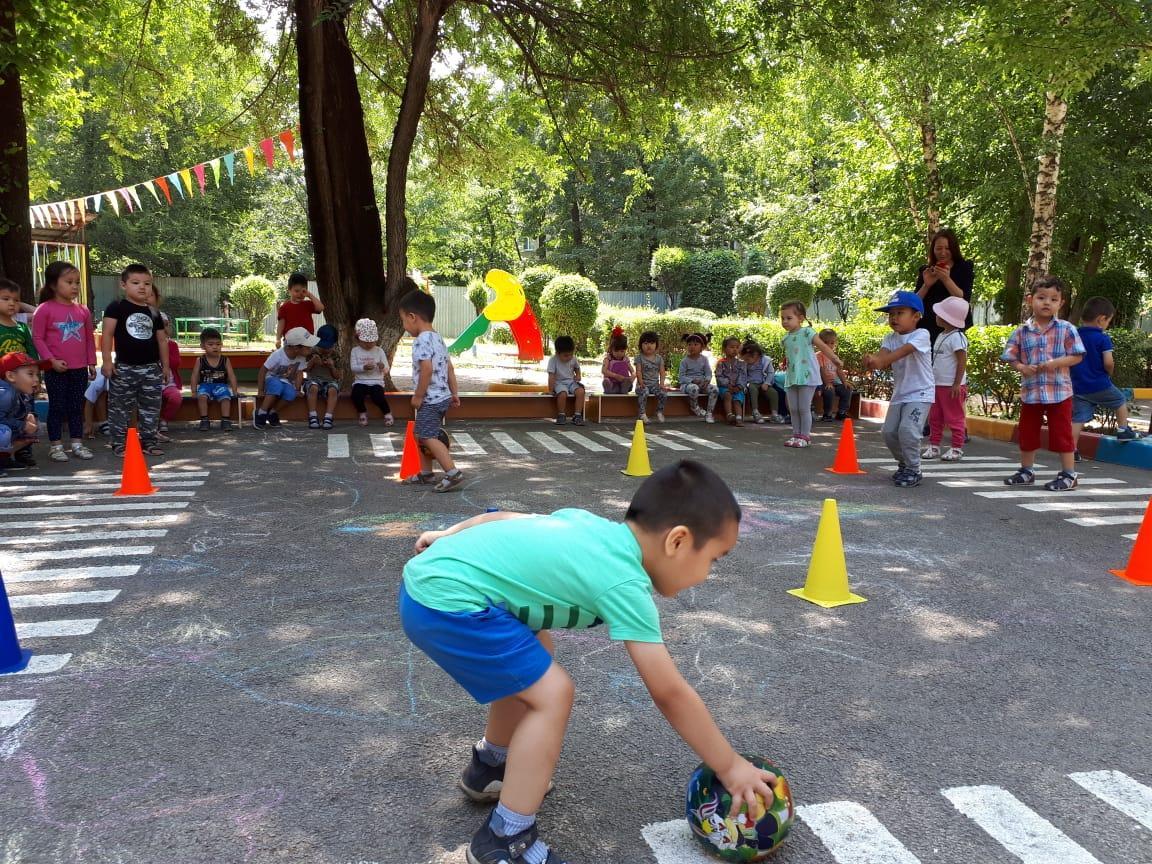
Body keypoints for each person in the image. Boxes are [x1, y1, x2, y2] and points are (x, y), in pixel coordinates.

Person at [400, 459, 777, 864]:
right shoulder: (624, 582)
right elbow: (669, 692)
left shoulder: (593, 528)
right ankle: (504, 838)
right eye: (714, 559)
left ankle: (491, 765)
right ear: (678, 541)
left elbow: (507, 518)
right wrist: (730, 765)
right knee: (553, 694)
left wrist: (447, 535)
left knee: (535, 654)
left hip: (431, 584)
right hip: (446, 602)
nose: (708, 574)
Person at [1001, 276, 1085, 491]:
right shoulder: (1022, 331)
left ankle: (1069, 474)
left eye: (1053, 299)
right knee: (1027, 432)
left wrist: (1056, 363)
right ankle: (1026, 471)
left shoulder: (1066, 329)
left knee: (1062, 433)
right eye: (1041, 297)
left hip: (1059, 392)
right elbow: (1010, 357)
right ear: (1030, 300)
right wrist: (1022, 368)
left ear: (1061, 303)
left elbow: (1077, 356)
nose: (1047, 303)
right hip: (1032, 393)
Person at [864, 291, 935, 487]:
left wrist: (879, 361)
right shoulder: (890, 337)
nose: (894, 318)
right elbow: (882, 356)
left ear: (916, 316)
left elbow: (897, 354)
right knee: (888, 432)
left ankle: (914, 469)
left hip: (921, 392)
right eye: (891, 314)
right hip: (900, 393)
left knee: (908, 430)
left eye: (899, 313)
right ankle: (904, 464)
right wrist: (872, 361)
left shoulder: (922, 334)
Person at [399, 287, 463, 492]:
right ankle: (426, 474)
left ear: (412, 317)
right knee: (421, 433)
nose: (404, 325)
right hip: (442, 396)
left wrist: (418, 396)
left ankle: (452, 472)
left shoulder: (421, 341)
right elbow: (449, 367)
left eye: (403, 320)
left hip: (431, 398)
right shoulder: (438, 338)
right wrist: (454, 393)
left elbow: (426, 369)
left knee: (428, 436)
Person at [101, 264, 169, 457]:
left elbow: (162, 341)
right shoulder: (116, 307)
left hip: (151, 369)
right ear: (124, 285)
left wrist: (165, 367)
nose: (142, 287)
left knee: (151, 407)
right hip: (124, 368)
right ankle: (119, 443)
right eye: (136, 282)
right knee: (119, 407)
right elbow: (107, 334)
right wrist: (107, 361)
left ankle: (149, 441)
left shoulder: (154, 312)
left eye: (147, 283)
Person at [32, 261, 95, 462]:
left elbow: (89, 338)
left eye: (77, 282)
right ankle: (55, 446)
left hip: (79, 369)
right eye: (69, 282)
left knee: (76, 406)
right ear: (53, 284)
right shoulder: (44, 309)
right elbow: (38, 338)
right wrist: (51, 361)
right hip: (55, 369)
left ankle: (77, 443)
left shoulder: (83, 310)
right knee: (57, 407)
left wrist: (91, 362)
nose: (75, 286)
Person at [1071, 296, 1137, 458]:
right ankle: (1123, 431)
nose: (1107, 325)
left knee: (1078, 418)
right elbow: (1108, 362)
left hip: (1078, 386)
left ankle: (1071, 450)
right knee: (1120, 401)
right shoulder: (1102, 338)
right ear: (1102, 319)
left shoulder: (1075, 335)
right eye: (1108, 321)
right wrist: (1110, 372)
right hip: (1099, 384)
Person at [780, 300, 842, 447]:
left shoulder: (807, 332)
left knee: (803, 407)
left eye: (789, 318)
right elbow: (792, 355)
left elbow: (823, 346)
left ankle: (805, 436)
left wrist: (835, 359)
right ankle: (796, 435)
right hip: (792, 376)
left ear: (800, 318)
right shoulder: (785, 338)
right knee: (793, 409)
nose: (785, 321)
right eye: (782, 318)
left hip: (807, 376)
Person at [922, 296, 969, 462]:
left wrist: (957, 383)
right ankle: (934, 445)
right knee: (935, 417)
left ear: (947, 318)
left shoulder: (958, 337)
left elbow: (962, 360)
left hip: (951, 386)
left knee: (954, 418)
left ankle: (957, 448)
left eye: (939, 313)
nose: (936, 316)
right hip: (938, 384)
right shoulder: (942, 335)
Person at [914, 229, 974, 343]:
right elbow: (914, 302)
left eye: (947, 248)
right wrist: (926, 285)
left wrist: (946, 279)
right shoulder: (926, 271)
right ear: (933, 250)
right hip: (927, 326)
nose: (942, 253)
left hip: (953, 327)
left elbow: (964, 298)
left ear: (954, 249)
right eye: (938, 248)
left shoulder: (964, 268)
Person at [254, 326, 316, 429]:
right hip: (272, 378)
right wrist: (260, 389)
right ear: (296, 348)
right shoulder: (278, 355)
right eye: (308, 347)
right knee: (277, 386)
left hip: (286, 382)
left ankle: (273, 412)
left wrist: (297, 389)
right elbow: (263, 370)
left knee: (290, 394)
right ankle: (261, 412)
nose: (311, 349)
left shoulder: (301, 357)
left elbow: (299, 373)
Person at [0, 352, 45, 474]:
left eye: (37, 375)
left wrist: (28, 416)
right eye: (30, 374)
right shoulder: (5, 393)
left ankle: (4, 460)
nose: (36, 379)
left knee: (35, 425)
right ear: (11, 376)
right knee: (3, 432)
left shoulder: (19, 392)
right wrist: (22, 425)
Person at [191, 327, 239, 431]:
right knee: (202, 397)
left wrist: (235, 391)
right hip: (205, 386)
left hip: (221, 386)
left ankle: (225, 420)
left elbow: (231, 376)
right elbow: (194, 376)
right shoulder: (200, 360)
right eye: (211, 344)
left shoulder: (225, 360)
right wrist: (194, 391)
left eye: (218, 344)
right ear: (202, 346)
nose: (215, 347)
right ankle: (204, 420)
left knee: (226, 397)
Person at [350, 318, 394, 427]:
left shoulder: (379, 351)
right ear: (358, 339)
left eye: (372, 341)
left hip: (376, 381)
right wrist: (363, 367)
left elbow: (386, 369)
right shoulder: (355, 351)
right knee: (356, 395)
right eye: (366, 342)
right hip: (361, 381)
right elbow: (353, 367)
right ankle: (362, 413)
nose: (369, 344)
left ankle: (387, 413)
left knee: (378, 396)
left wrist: (382, 367)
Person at [304, 323, 341, 430]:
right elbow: (305, 369)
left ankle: (328, 417)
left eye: (328, 347)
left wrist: (332, 367)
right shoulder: (312, 351)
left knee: (333, 389)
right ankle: (312, 415)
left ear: (334, 344)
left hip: (329, 381)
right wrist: (312, 362)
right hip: (313, 379)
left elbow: (337, 376)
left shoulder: (336, 355)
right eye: (323, 346)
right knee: (313, 387)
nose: (325, 350)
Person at [274, 272, 324, 348]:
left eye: (303, 291)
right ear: (289, 290)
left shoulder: (307, 304)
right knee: (290, 360)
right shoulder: (284, 307)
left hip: (307, 341)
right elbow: (281, 324)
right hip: (291, 343)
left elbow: (321, 308)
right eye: (296, 291)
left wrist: (310, 295)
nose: (300, 294)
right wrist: (278, 339)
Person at [156, 310, 183, 442]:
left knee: (176, 397)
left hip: (169, 383)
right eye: (160, 326)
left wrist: (165, 348)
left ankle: (164, 420)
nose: (164, 328)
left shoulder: (172, 344)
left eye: (166, 325)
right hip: (151, 384)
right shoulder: (148, 346)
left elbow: (176, 363)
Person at [678, 332, 717, 422]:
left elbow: (708, 372)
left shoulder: (704, 359)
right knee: (694, 388)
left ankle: (709, 413)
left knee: (714, 389)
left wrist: (707, 381)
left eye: (696, 344)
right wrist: (692, 380)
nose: (692, 347)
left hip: (702, 383)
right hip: (688, 385)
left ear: (702, 347)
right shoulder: (684, 361)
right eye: (690, 344)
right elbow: (681, 377)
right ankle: (695, 407)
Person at [815, 329, 852, 423]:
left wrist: (844, 382)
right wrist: (827, 383)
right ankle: (827, 413)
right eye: (825, 343)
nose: (829, 345)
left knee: (847, 389)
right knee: (829, 391)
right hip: (822, 383)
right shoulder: (819, 355)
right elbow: (821, 370)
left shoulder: (834, 356)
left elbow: (839, 370)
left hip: (834, 382)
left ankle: (841, 412)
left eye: (832, 343)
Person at [548, 335, 586, 426]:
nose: (569, 357)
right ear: (557, 353)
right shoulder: (553, 360)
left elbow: (577, 368)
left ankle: (577, 415)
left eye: (571, 354)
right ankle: (561, 414)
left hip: (571, 382)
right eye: (565, 355)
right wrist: (550, 389)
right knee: (562, 394)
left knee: (581, 392)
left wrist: (578, 375)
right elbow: (551, 375)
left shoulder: (573, 358)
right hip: (559, 383)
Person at [0, 278, 38, 358]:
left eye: (16, 300)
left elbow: (31, 351)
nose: (12, 303)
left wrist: (36, 366)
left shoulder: (23, 327)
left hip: (23, 368)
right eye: (6, 299)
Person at [714, 337, 747, 427]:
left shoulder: (741, 363)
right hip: (725, 387)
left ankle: (739, 418)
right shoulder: (721, 363)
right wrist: (727, 384)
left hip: (737, 387)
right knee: (727, 395)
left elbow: (743, 376)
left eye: (737, 347)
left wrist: (739, 386)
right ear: (724, 349)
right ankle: (729, 415)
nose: (734, 350)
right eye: (732, 347)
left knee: (737, 400)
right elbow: (718, 376)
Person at [634, 331, 666, 423]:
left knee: (663, 393)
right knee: (644, 392)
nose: (649, 346)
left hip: (655, 385)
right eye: (646, 343)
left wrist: (662, 384)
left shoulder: (659, 358)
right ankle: (642, 414)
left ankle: (659, 411)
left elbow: (662, 372)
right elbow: (638, 371)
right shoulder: (639, 358)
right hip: (642, 385)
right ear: (641, 345)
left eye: (652, 343)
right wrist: (641, 382)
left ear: (656, 345)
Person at [601, 327, 634, 395]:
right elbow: (604, 371)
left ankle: (624, 388)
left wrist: (632, 376)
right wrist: (616, 376)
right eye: (616, 351)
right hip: (613, 383)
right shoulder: (608, 358)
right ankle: (609, 388)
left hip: (624, 382)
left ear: (625, 349)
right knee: (612, 386)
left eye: (622, 351)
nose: (619, 353)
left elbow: (632, 371)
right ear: (611, 349)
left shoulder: (625, 359)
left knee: (626, 383)